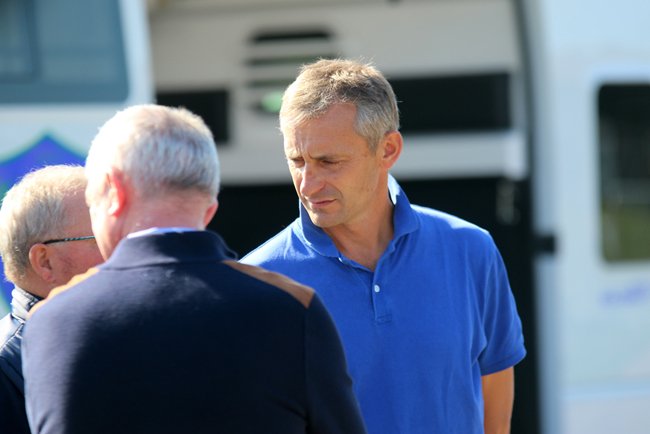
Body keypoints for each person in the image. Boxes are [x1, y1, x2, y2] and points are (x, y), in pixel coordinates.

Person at [22, 104, 366, 434]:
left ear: (114, 192)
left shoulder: (54, 320)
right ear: (209, 207)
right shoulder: (292, 310)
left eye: (92, 202)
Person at [242, 59, 526, 434]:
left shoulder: (471, 250)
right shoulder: (258, 281)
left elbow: (495, 392)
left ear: (388, 150)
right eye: (297, 160)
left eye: (328, 161)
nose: (307, 184)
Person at [0, 165, 103, 434]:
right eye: (101, 238)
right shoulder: (8, 366)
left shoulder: (105, 339)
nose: (123, 251)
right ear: (45, 261)